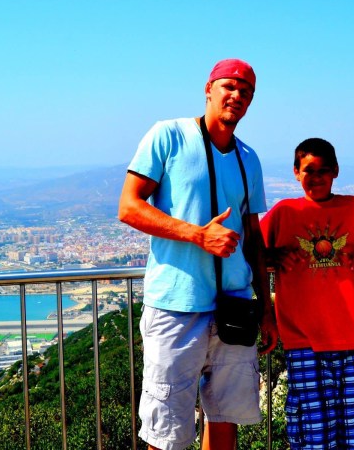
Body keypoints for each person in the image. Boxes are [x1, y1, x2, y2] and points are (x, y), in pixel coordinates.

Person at [118, 58, 277, 450]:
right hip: (176, 306)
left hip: (235, 306)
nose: (237, 96)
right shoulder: (167, 135)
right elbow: (128, 206)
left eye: (246, 92)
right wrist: (197, 235)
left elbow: (252, 235)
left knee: (224, 421)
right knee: (165, 430)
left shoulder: (248, 158)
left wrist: (267, 307)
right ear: (209, 89)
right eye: (229, 87)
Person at [260, 137, 354, 450]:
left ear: (336, 171)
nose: (317, 177)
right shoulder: (284, 212)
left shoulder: (353, 207)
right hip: (304, 341)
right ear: (296, 172)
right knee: (313, 435)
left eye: (324, 170)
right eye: (309, 170)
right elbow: (251, 252)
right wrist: (273, 257)